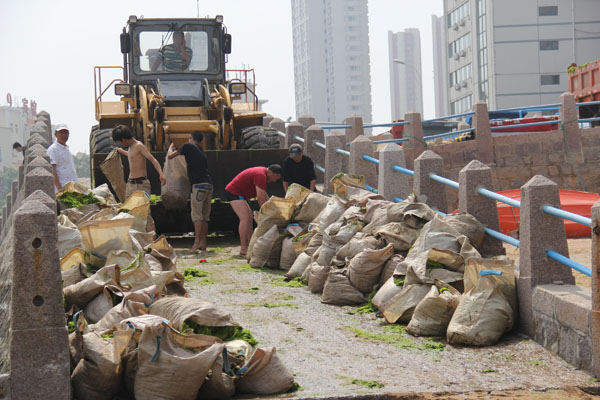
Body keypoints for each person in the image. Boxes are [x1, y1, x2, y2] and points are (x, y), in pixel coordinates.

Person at [112, 124, 166, 232]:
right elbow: (132, 156)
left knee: (145, 213)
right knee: (128, 210)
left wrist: (161, 174)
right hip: (130, 185)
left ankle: (152, 240)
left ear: (123, 139)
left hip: (141, 185)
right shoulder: (131, 148)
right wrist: (121, 151)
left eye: (120, 142)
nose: (121, 144)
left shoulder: (139, 146)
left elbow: (152, 159)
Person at [167, 130, 213, 252]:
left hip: (198, 187)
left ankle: (196, 242)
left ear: (191, 137)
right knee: (204, 217)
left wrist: (171, 148)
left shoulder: (187, 146)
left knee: (197, 216)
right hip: (209, 185)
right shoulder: (201, 151)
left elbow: (170, 157)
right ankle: (203, 243)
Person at [225, 165, 282, 256]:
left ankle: (251, 245)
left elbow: (264, 194)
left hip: (240, 194)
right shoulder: (261, 175)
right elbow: (260, 197)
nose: (274, 181)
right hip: (234, 192)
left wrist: (271, 207)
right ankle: (243, 248)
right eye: (275, 178)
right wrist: (265, 212)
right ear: (271, 172)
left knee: (250, 218)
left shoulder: (263, 174)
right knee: (245, 218)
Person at [46, 124, 78, 192]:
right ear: (55, 134)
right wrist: (60, 189)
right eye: (61, 132)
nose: (64, 135)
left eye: (65, 132)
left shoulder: (66, 148)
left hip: (71, 187)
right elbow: (52, 170)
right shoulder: (53, 149)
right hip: (62, 188)